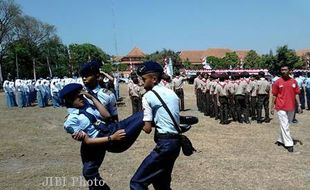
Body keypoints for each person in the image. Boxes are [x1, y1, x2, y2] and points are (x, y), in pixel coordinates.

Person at [60, 83, 144, 190]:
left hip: (113, 127)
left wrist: (92, 98)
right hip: (107, 138)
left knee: (143, 114)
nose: (82, 98)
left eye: (82, 95)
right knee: (89, 172)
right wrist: (111, 138)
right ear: (69, 100)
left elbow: (106, 116)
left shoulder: (86, 104)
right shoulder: (71, 121)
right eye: (78, 96)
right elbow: (88, 141)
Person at [130, 61, 182, 190]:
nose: (140, 82)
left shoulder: (148, 96)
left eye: (143, 79)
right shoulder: (171, 93)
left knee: (137, 183)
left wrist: (133, 124)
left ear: (153, 79)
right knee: (161, 184)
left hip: (164, 144)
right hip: (176, 143)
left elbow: (147, 129)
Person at [271, 65, 302, 153]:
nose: (283, 71)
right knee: (285, 124)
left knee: (287, 124)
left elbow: (296, 94)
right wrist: (272, 107)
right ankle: (289, 144)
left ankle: (281, 139)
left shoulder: (294, 81)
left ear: (289, 71)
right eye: (282, 70)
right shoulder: (277, 82)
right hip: (280, 106)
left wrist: (299, 105)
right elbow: (274, 95)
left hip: (291, 106)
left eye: (285, 70)